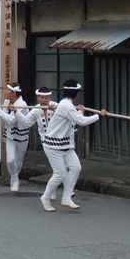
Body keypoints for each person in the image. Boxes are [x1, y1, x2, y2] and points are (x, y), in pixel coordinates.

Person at [40, 78, 106, 212]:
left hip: (65, 144)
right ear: (75, 94)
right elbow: (81, 121)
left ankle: (66, 197)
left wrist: (79, 112)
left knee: (76, 168)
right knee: (59, 174)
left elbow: (73, 119)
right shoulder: (66, 105)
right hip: (53, 145)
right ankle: (45, 197)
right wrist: (99, 115)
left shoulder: (66, 105)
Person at [17, 86, 59, 199]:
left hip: (60, 141)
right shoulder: (35, 110)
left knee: (62, 167)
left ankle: (60, 191)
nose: (44, 100)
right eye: (42, 97)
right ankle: (55, 192)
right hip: (46, 142)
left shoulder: (57, 106)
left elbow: (68, 115)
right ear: (38, 98)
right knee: (57, 168)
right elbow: (26, 123)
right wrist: (16, 112)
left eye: (46, 98)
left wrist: (55, 110)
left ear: (50, 98)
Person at [0, 83, 30, 193]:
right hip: (10, 136)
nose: (5, 92)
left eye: (8, 90)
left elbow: (10, 120)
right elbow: (4, 116)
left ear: (14, 93)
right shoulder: (6, 102)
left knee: (18, 162)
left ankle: (15, 177)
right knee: (10, 160)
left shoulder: (22, 104)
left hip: (22, 137)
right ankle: (15, 178)